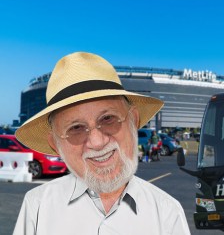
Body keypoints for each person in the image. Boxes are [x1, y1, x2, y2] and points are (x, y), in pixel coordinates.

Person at [13, 52, 190, 235]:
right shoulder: (37, 207)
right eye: (76, 128)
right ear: (55, 144)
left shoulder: (167, 213)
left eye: (108, 118)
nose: (97, 142)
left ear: (133, 120)